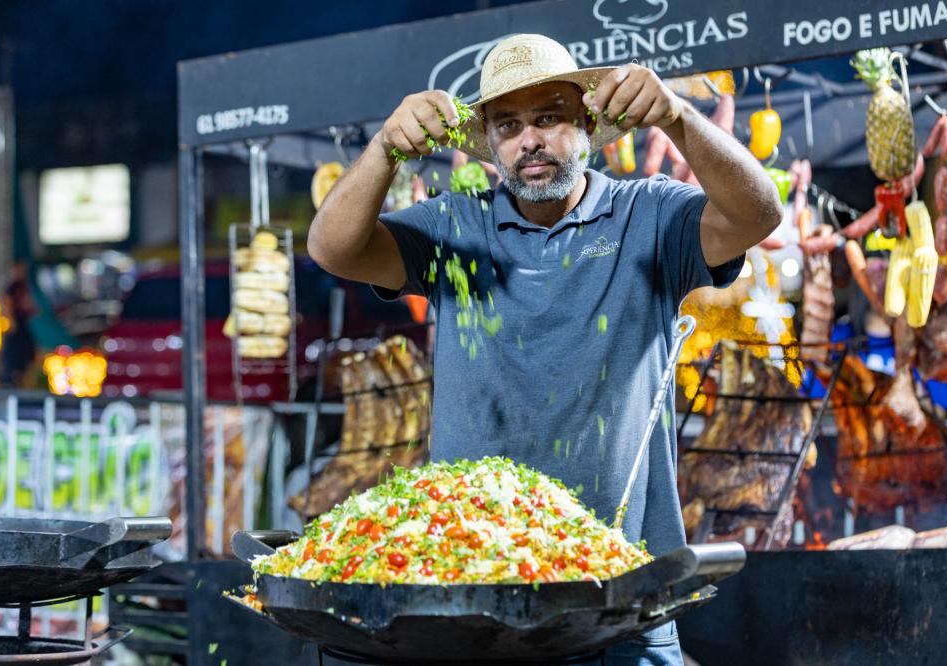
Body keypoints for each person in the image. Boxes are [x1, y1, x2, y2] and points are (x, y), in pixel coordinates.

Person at [308, 34, 781, 666]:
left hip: (622, 598)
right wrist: (384, 149)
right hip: (476, 596)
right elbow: (332, 249)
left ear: (586, 124)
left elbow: (757, 215)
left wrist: (677, 117)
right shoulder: (453, 228)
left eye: (549, 117)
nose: (529, 140)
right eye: (508, 125)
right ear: (490, 141)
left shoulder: (647, 215)